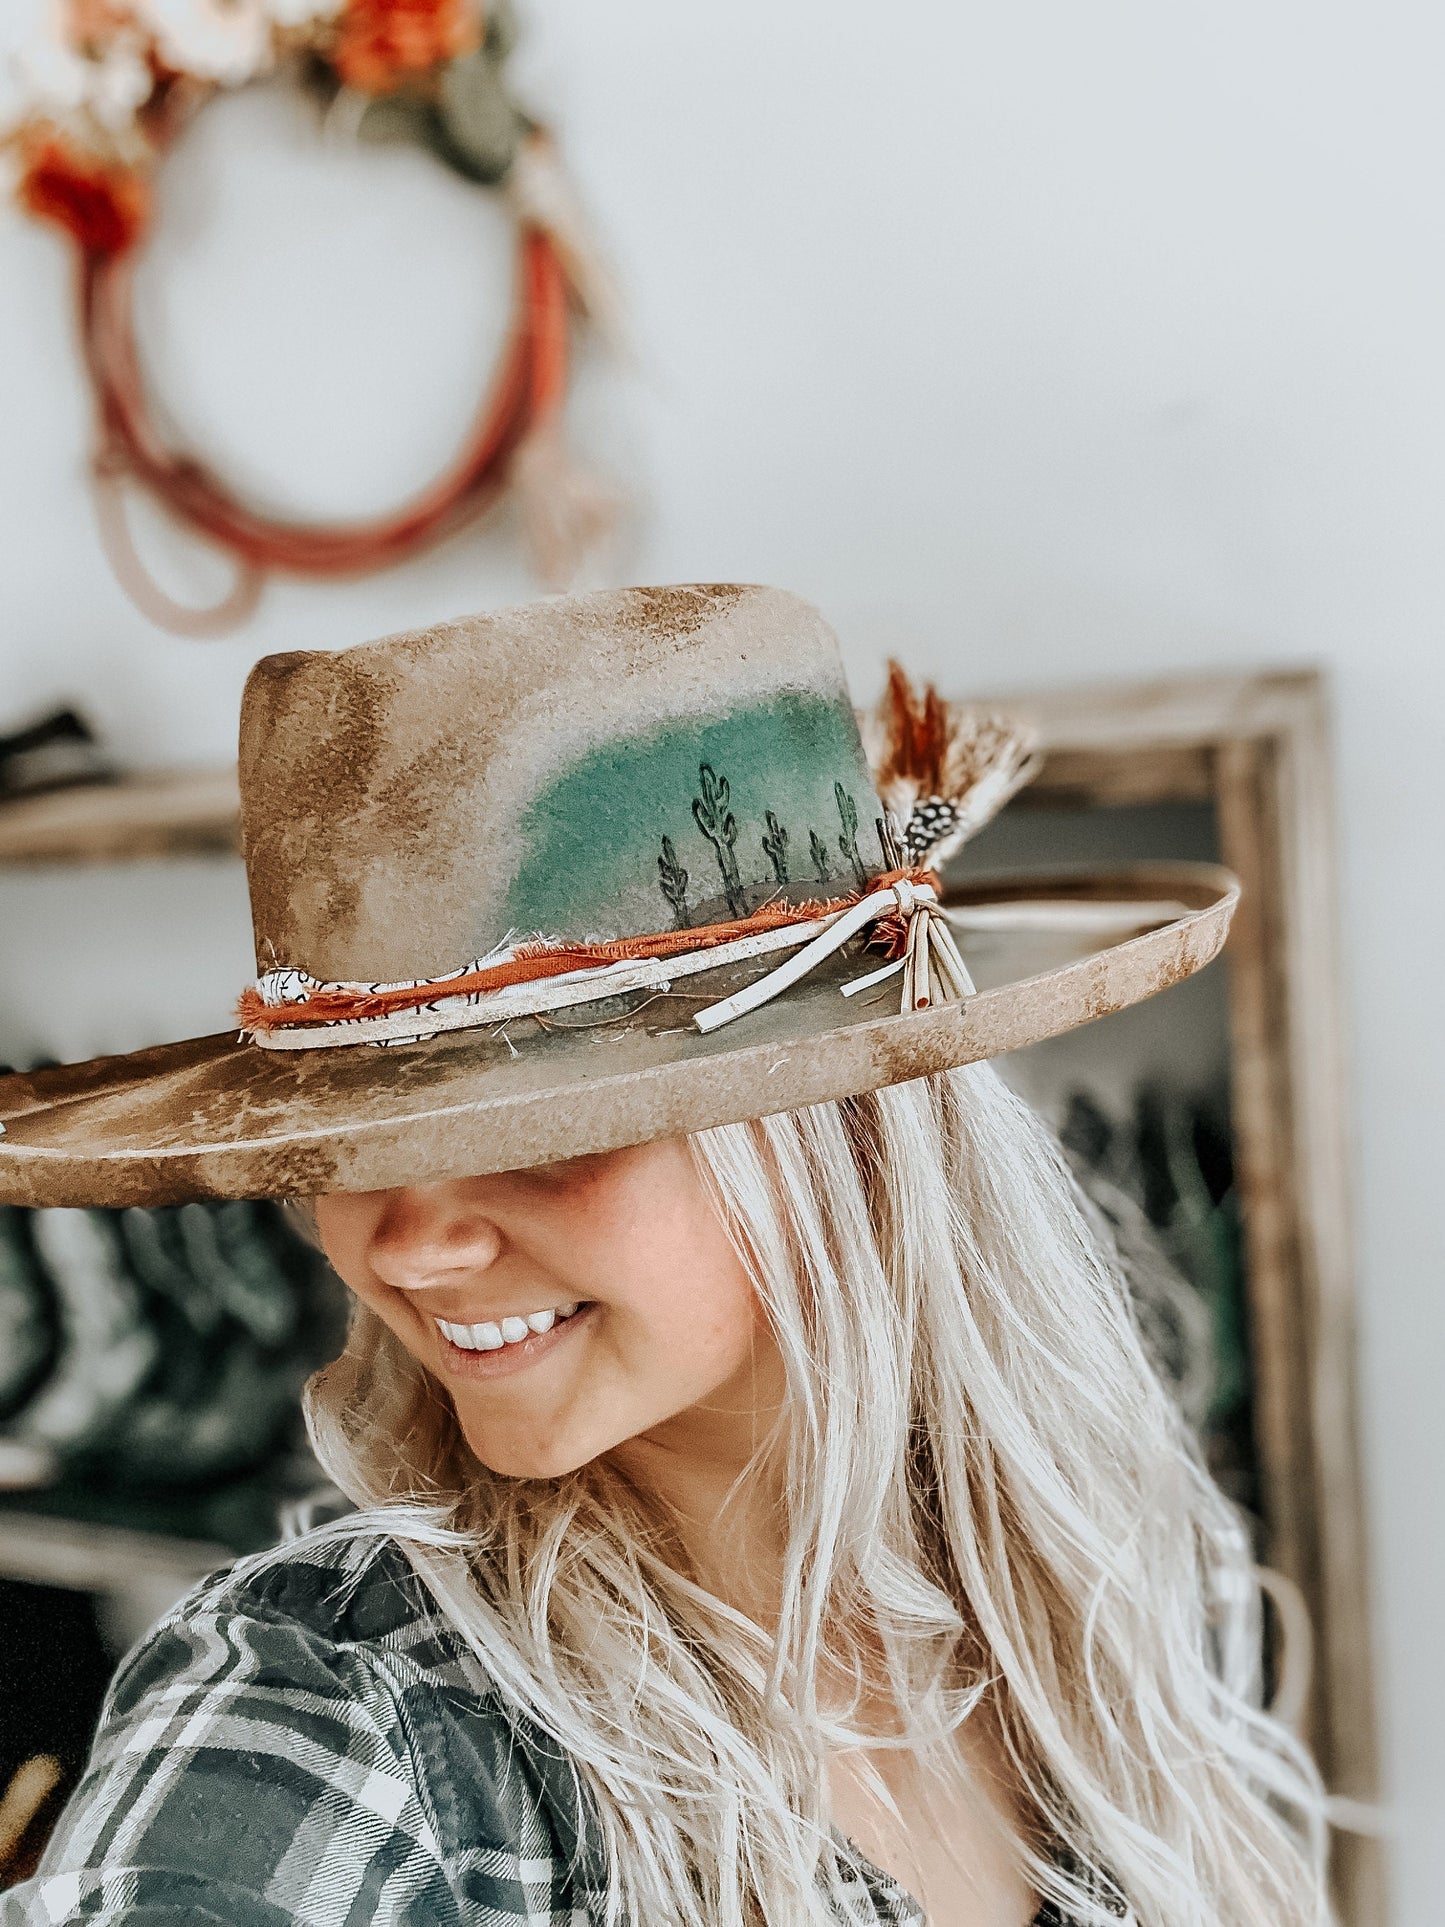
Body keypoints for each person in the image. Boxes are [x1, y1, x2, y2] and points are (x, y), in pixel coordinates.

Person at [0, 586, 1327, 1926]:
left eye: (545, 1132)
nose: (406, 1247)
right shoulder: (339, 1726)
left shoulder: (1118, 1580)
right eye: (346, 1152)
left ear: (841, 1128)